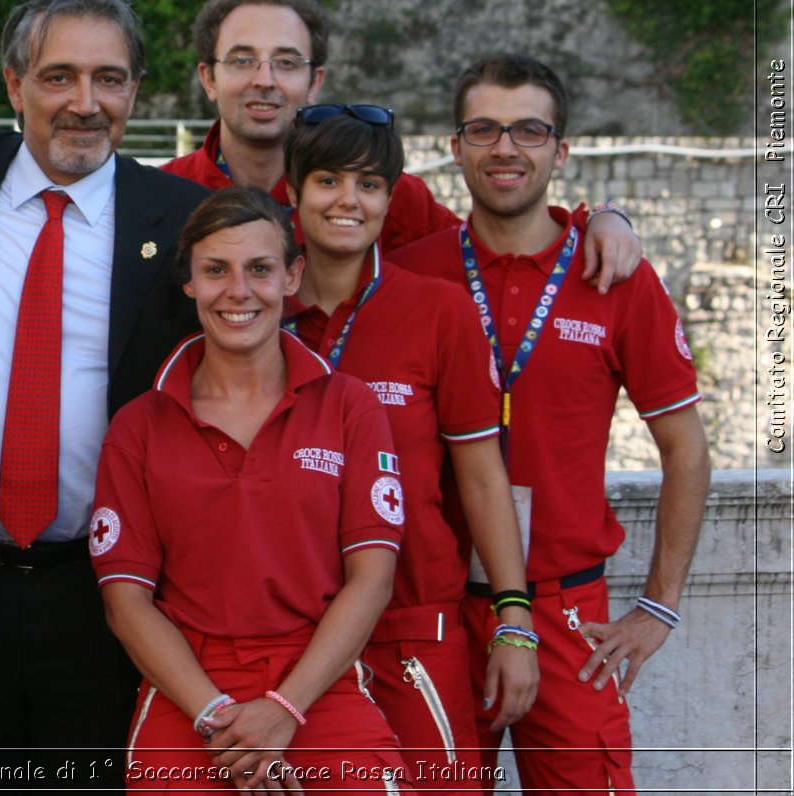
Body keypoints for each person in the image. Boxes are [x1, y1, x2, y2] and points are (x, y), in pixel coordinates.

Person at [0, 0, 208, 788]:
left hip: (104, 596)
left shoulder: (179, 217)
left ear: (136, 89)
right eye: (59, 76)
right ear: (14, 85)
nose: (85, 103)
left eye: (110, 79)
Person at [393, 55, 710, 793]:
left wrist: (657, 608)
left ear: (561, 151)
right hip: (431, 609)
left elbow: (686, 449)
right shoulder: (411, 273)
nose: (506, 148)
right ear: (455, 146)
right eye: (484, 129)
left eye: (529, 130)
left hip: (570, 617)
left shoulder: (614, 276)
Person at [91, 187, 408, 793]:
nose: (239, 291)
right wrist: (219, 719)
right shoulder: (141, 422)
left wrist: (284, 710)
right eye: (216, 270)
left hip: (319, 677)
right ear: (189, 282)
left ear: (292, 276)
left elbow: (373, 578)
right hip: (187, 685)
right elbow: (125, 602)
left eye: (260, 269)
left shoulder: (348, 405)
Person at [281, 105, 536, 792]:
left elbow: (482, 477)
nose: (348, 201)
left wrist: (514, 618)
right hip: (281, 636)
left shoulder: (440, 311)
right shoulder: (251, 312)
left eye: (368, 184)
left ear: (391, 200)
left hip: (414, 630)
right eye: (328, 180)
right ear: (293, 192)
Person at [161, 0, 641, 289]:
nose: (264, 79)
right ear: (208, 77)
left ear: (316, 81)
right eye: (242, 60)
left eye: (286, 62)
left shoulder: (384, 196)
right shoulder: (162, 198)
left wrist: (603, 216)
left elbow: (493, 246)